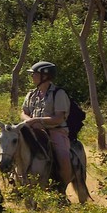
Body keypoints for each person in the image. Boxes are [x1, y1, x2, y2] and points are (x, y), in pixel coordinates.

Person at [20, 60, 73, 190]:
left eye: (34, 74)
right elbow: (23, 112)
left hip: (55, 131)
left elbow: (58, 118)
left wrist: (37, 121)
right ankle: (15, 180)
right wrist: (29, 121)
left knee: (63, 156)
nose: (32, 77)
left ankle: (62, 187)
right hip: (33, 131)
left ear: (45, 76)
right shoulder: (31, 94)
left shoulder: (59, 94)